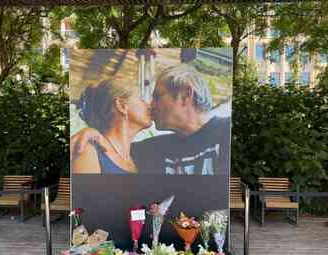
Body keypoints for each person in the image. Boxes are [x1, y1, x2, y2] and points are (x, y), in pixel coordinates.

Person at [71, 64, 230, 175]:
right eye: (143, 98)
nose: (150, 105)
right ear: (121, 105)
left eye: (157, 96)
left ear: (186, 95)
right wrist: (91, 133)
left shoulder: (227, 131)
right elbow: (112, 150)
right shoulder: (149, 150)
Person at [72, 79, 152, 174]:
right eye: (142, 100)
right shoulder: (87, 152)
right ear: (121, 105)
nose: (149, 106)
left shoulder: (138, 159)